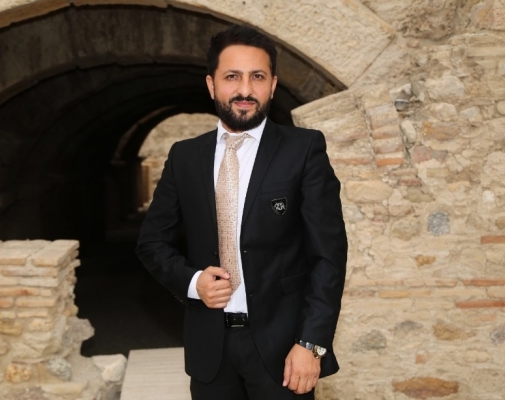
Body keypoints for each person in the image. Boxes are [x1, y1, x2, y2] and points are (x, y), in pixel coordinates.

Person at [136, 24, 347, 399]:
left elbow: (328, 257)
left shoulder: (303, 150)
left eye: (257, 77)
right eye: (232, 76)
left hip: (285, 352)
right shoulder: (185, 157)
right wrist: (193, 282)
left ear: (273, 85)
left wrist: (311, 344)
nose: (245, 90)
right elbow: (152, 243)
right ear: (211, 84)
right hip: (209, 351)